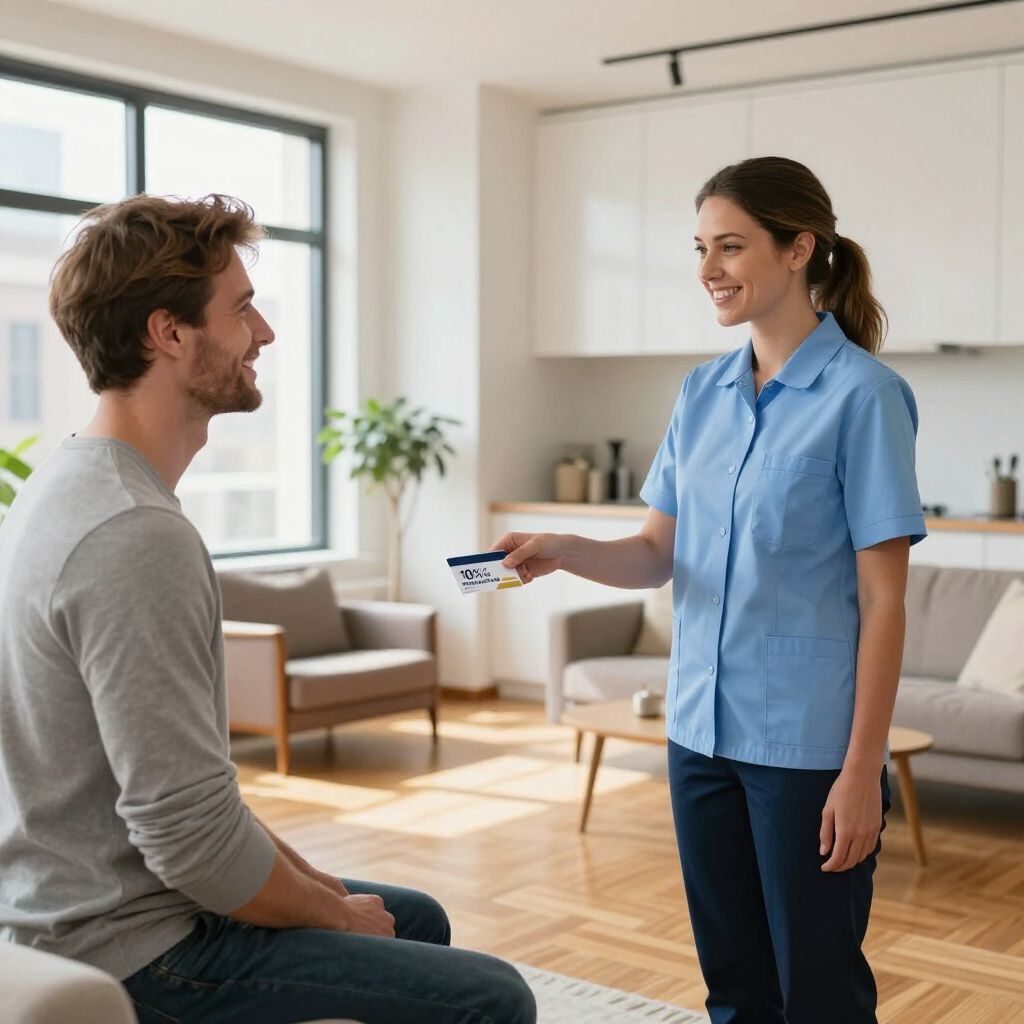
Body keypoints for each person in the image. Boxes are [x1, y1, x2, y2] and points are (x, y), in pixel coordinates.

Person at [0, 193, 535, 1024]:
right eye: (243, 309)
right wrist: (334, 912)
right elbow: (188, 838)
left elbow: (195, 804)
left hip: (93, 898)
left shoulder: (66, 485)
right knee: (493, 1000)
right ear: (168, 333)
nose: (267, 334)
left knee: (416, 917)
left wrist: (320, 887)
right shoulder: (133, 533)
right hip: (128, 947)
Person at [493, 156, 926, 1024]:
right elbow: (659, 553)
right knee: (733, 982)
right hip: (698, 735)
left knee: (820, 991)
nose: (709, 270)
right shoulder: (701, 394)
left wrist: (859, 772)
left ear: (800, 248)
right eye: (700, 248)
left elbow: (883, 602)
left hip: (806, 752)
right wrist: (565, 547)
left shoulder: (865, 398)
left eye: (731, 246)